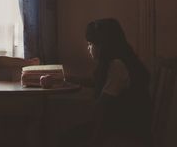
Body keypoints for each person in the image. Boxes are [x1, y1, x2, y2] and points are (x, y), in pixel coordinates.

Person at [59, 18, 152, 147]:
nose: (88, 48)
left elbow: (103, 108)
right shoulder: (120, 61)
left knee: (66, 138)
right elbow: (97, 83)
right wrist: (68, 78)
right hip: (124, 122)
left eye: (91, 44)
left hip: (125, 128)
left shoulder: (117, 65)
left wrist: (94, 141)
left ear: (103, 45)